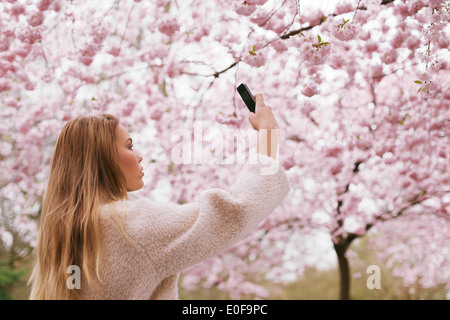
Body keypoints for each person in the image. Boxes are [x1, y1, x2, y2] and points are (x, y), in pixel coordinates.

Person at [28, 94, 290, 299]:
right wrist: (268, 137)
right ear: (102, 158)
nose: (139, 155)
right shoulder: (130, 226)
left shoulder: (60, 239)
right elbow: (234, 213)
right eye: (129, 146)